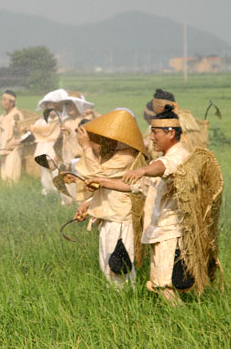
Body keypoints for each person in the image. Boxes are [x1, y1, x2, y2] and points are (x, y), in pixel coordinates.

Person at [87, 105, 190, 305]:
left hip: (171, 231)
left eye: (155, 132)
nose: (151, 137)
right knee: (162, 283)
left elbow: (161, 168)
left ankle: (182, 323)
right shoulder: (162, 159)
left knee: (165, 285)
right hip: (159, 231)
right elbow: (136, 187)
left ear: (170, 133)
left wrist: (142, 170)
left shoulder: (179, 157)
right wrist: (103, 182)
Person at [71, 109, 146, 288]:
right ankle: (117, 301)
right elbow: (103, 183)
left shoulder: (126, 155)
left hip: (120, 218)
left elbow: (98, 174)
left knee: (119, 266)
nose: (96, 143)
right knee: (107, 265)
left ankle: (127, 304)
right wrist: (87, 203)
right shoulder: (111, 155)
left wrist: (86, 147)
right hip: (109, 216)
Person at [59, 92, 98, 203]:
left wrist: (71, 133)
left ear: (78, 105)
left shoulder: (87, 119)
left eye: (72, 104)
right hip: (69, 159)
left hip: (83, 159)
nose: (69, 107)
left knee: (81, 189)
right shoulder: (66, 121)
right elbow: (64, 143)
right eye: (67, 105)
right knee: (68, 187)